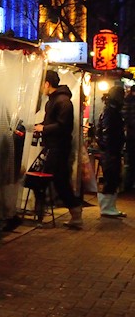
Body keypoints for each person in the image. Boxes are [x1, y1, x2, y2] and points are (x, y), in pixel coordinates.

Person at [33, 69, 84, 229]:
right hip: (52, 147)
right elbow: (52, 122)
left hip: (58, 148)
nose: (41, 88)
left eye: (42, 84)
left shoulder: (62, 101)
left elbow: (64, 126)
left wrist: (44, 129)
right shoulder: (53, 101)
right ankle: (74, 213)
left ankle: (73, 213)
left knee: (51, 180)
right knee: (55, 181)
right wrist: (39, 126)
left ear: (47, 84)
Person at [95, 85, 127, 218]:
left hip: (111, 151)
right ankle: (107, 208)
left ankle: (110, 207)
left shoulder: (111, 110)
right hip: (110, 152)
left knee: (113, 178)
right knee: (110, 178)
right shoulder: (110, 111)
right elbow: (107, 133)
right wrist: (111, 150)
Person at [123, 86, 135, 193]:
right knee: (131, 161)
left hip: (130, 136)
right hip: (131, 136)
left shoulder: (126, 101)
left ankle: (128, 184)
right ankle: (128, 184)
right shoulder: (129, 102)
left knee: (130, 161)